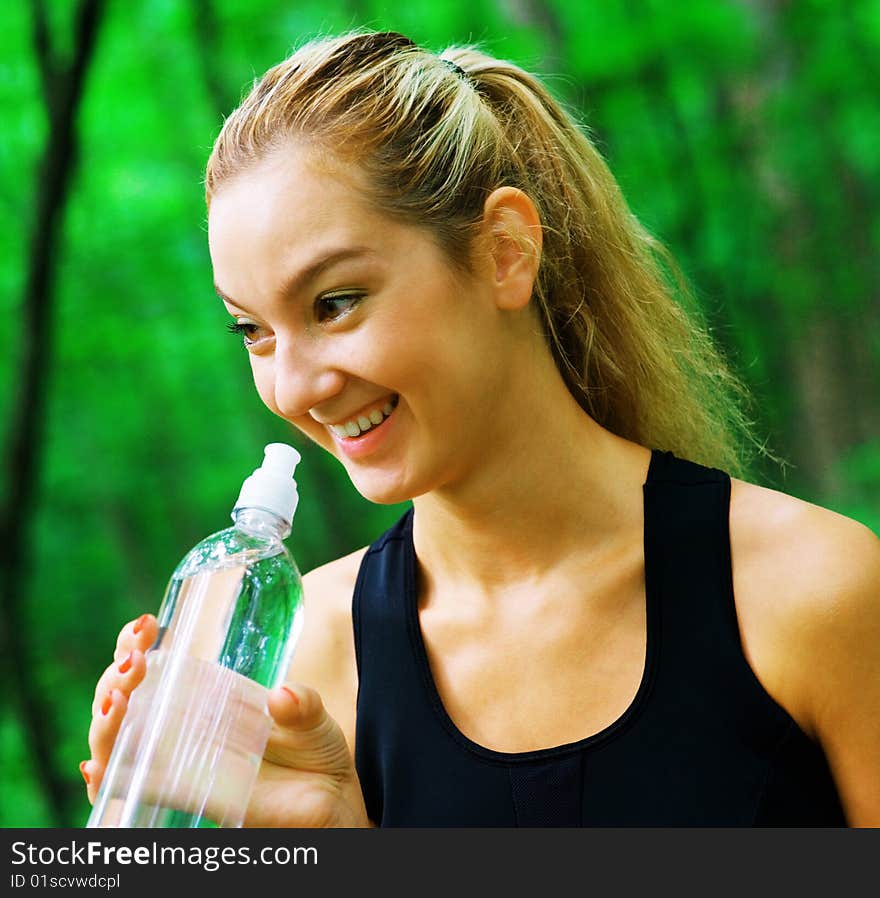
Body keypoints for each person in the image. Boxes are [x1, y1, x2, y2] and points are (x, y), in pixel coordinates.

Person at [81, 30, 880, 827]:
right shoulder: (301, 669)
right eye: (252, 330)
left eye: (335, 302)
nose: (294, 386)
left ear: (504, 251)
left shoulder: (815, 592)